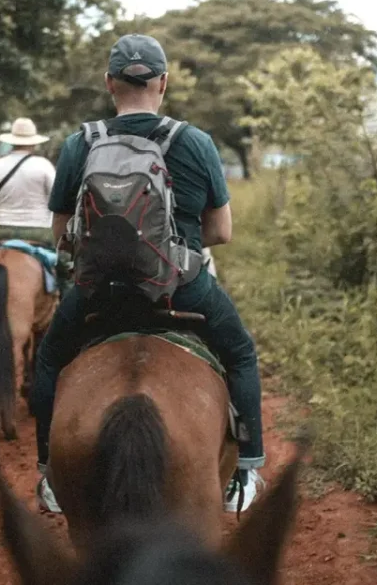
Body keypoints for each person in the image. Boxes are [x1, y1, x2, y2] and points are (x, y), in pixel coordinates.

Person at [31, 34, 266, 514]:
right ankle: (245, 472)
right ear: (163, 82)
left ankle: (49, 475)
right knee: (240, 352)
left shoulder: (81, 143)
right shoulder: (194, 142)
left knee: (50, 356)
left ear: (109, 83)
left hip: (98, 290)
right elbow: (221, 230)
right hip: (183, 286)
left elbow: (61, 232)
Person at [0, 118, 72, 294]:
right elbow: (59, 202)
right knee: (65, 270)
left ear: (11, 142)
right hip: (40, 233)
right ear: (34, 143)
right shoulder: (44, 166)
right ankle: (67, 311)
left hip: (3, 232)